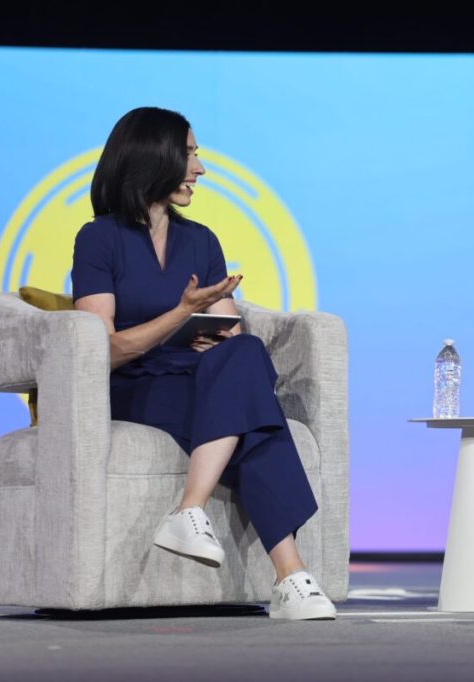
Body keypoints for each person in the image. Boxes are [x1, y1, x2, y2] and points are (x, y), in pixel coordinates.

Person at [71, 107, 335, 621]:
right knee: (258, 419)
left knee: (246, 355)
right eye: (190, 154)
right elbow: (100, 350)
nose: (200, 168)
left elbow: (228, 333)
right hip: (135, 385)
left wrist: (213, 333)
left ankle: (192, 510)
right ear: (153, 157)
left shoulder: (202, 240)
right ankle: (290, 576)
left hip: (195, 379)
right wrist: (180, 315)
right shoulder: (98, 238)